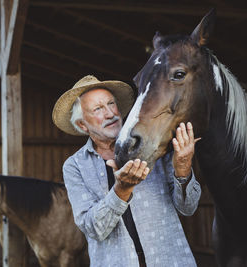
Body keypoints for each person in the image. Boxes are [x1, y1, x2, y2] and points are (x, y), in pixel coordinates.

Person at [52, 75, 201, 267]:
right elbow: (93, 229)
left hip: (170, 260)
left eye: (111, 104)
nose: (109, 114)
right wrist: (121, 191)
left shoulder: (151, 144)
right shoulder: (75, 166)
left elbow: (188, 208)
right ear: (82, 125)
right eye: (98, 109)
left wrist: (183, 166)